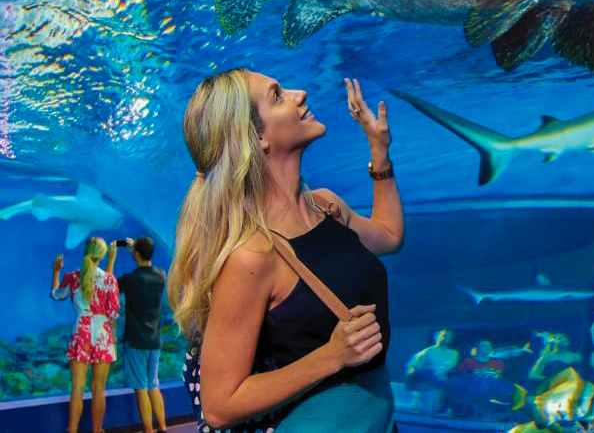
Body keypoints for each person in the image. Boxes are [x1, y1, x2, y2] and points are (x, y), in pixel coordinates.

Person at [167, 70, 404, 433]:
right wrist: (331, 356)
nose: (300, 93)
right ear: (258, 136)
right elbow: (219, 404)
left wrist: (379, 153)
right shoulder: (253, 256)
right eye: (278, 96)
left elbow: (389, 237)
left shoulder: (327, 207)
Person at [51, 236, 121, 433]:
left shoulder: (73, 277)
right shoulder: (109, 279)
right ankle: (97, 430)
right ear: (103, 255)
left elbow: (56, 294)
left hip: (80, 332)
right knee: (99, 388)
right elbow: (113, 312)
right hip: (101, 334)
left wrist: (56, 271)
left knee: (77, 388)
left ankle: (72, 429)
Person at [117, 236, 168, 433]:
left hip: (136, 341)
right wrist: (138, 251)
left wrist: (115, 257)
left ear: (135, 253)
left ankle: (148, 429)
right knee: (153, 385)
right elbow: (148, 265)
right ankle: (163, 426)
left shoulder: (130, 279)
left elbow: (111, 286)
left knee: (140, 387)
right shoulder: (161, 275)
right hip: (155, 340)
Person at [404, 329, 460, 413]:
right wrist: (414, 389)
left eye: (449, 336)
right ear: (436, 337)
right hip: (427, 387)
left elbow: (450, 370)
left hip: (444, 387)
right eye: (444, 335)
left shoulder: (454, 353)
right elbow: (412, 367)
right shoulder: (427, 352)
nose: (447, 337)